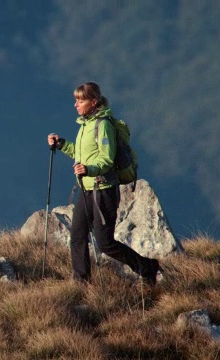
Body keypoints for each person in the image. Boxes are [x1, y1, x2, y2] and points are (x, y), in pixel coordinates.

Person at [47, 81, 161, 285]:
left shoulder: (104, 125)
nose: (75, 105)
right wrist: (62, 144)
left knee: (105, 243)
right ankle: (81, 282)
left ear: (93, 101)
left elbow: (107, 159)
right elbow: (81, 154)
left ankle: (147, 267)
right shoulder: (85, 124)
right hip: (87, 189)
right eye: (75, 100)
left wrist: (89, 170)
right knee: (78, 236)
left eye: (80, 100)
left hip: (104, 190)